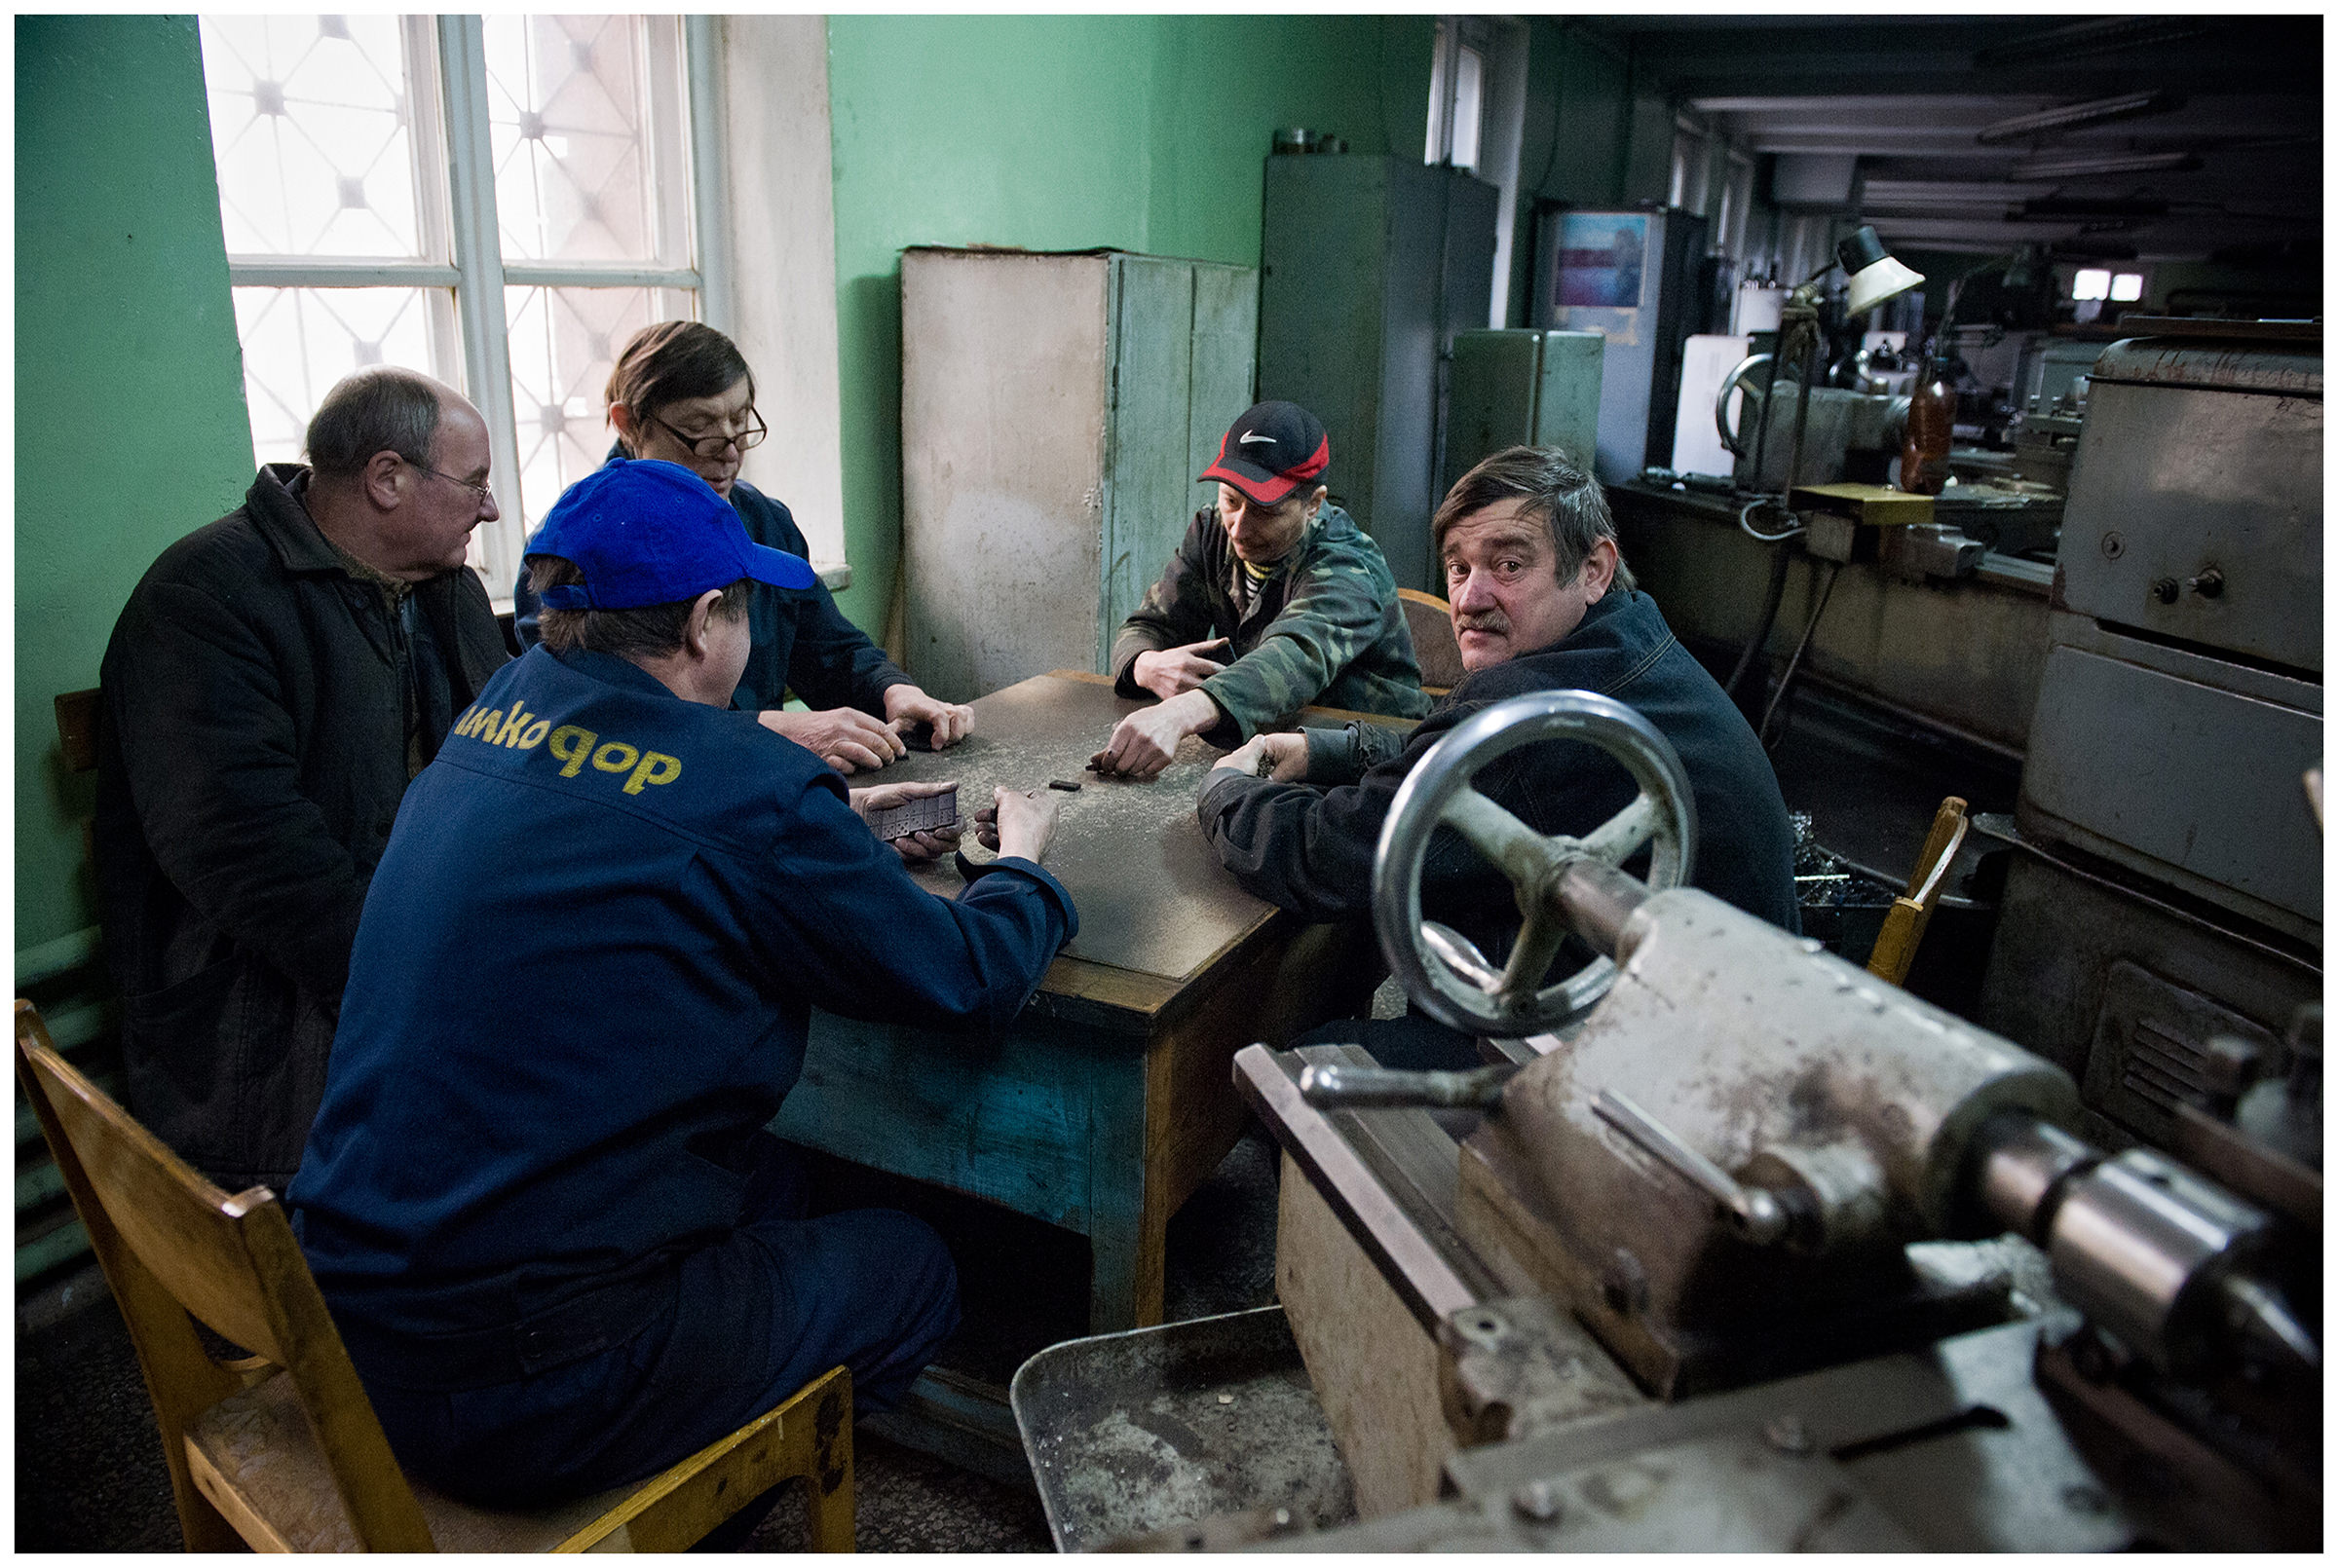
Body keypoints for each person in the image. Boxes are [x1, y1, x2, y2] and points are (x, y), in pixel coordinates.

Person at [287, 457, 1077, 1520]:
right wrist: (1025, 864)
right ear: (709, 620)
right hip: (528, 1385)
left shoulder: (490, 723)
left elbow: (637, 817)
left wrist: (806, 835)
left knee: (780, 1179)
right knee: (913, 1263)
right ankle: (704, 1511)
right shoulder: (751, 790)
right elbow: (965, 978)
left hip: (349, 1323)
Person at [1198, 445, 1798, 1069]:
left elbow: (1325, 854)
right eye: (1457, 569)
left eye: (1509, 565)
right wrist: (1328, 752)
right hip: (1727, 1036)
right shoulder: (1625, 641)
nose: (1470, 598)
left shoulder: (1540, 708)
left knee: (1306, 1070)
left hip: (1659, 1084)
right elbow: (1475, 765)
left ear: (1594, 568)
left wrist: (1226, 790)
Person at [94, 367, 510, 1193]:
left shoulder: (447, 590)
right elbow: (248, 851)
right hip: (265, 1018)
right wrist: (429, 978)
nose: (491, 509)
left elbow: (508, 759)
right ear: (388, 479)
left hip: (414, 952)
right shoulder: (204, 599)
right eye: (476, 485)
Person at [513, 320, 970, 774]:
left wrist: (891, 691)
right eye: (701, 428)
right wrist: (767, 732)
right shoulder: (566, 555)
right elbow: (604, 719)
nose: (730, 451)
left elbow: (828, 647)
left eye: (741, 421)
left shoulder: (764, 522)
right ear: (628, 422)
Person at [1094, 400, 1433, 778]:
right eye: (1231, 501)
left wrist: (1179, 712)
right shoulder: (1211, 534)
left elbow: (1291, 655)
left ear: (1313, 504)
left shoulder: (1348, 566)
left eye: (1264, 511)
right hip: (1273, 739)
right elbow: (1147, 626)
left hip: (1373, 760)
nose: (1239, 527)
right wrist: (1145, 663)